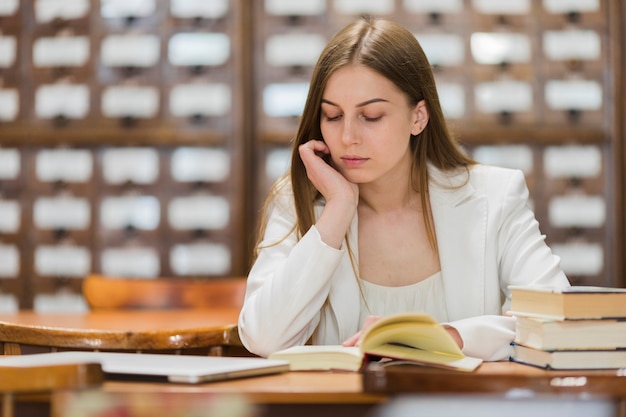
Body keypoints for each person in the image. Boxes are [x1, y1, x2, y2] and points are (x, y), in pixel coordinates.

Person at [238, 16, 570, 361]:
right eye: (333, 117)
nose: (348, 137)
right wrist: (336, 211)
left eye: (372, 116)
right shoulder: (298, 200)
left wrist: (448, 337)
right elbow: (263, 337)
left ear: (418, 117)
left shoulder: (496, 195)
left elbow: (558, 319)